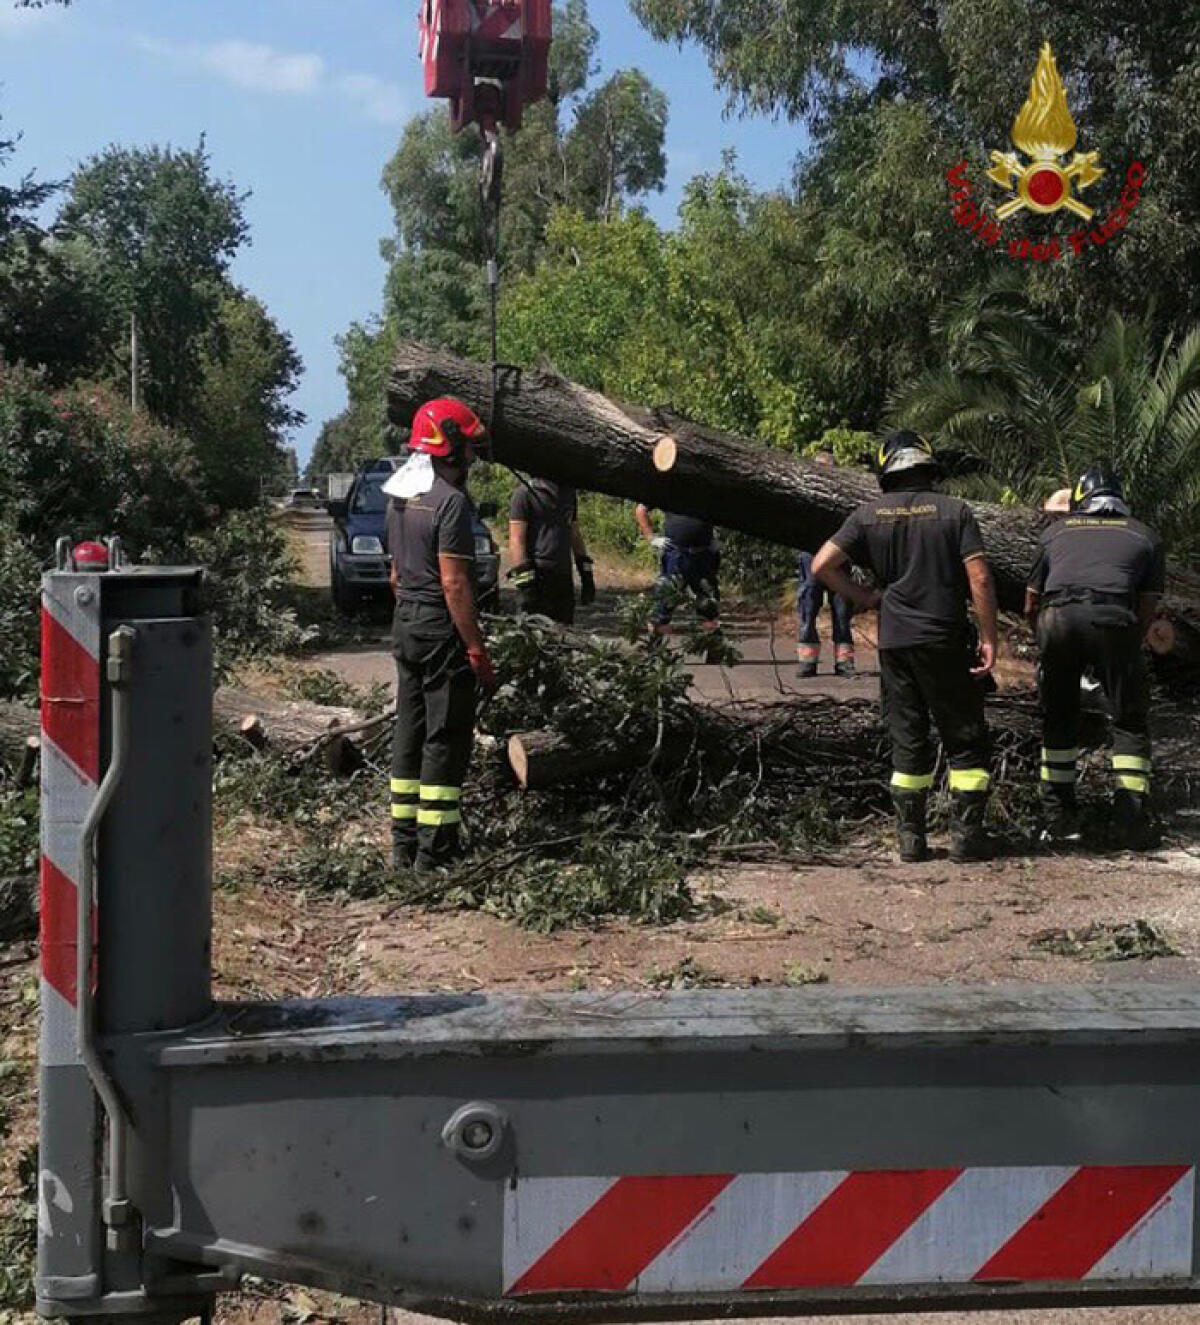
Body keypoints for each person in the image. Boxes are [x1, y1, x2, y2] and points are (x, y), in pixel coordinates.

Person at [812, 430, 998, 863]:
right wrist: (990, 637)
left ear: (886, 471)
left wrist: (865, 598)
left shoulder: (866, 516)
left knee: (907, 735)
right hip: (943, 637)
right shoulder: (955, 512)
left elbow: (822, 565)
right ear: (927, 466)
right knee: (964, 737)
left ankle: (911, 839)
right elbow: (982, 579)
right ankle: (967, 838)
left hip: (894, 642)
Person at [385, 397, 498, 874]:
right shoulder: (449, 504)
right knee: (444, 736)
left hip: (406, 621)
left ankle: (402, 847)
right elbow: (454, 583)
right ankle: (435, 854)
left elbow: (394, 574)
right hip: (438, 629)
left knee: (407, 731)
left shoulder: (398, 496)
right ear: (447, 445)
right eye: (468, 447)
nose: (471, 457)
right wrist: (474, 646)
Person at [1024, 463, 1164, 849]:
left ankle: (1057, 822)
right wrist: (1127, 644)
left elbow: (1031, 599)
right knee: (1129, 719)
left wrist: (1042, 638)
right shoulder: (1145, 536)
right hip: (1115, 618)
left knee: (1058, 719)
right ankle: (1130, 821)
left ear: (1081, 502)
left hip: (1058, 618)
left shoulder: (1055, 533)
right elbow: (1147, 606)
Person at [796, 454, 855, 677]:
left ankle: (844, 662)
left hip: (839, 559)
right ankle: (807, 661)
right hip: (810, 557)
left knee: (841, 612)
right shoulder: (802, 493)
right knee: (808, 608)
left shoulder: (843, 497)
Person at [507, 478, 595, 624]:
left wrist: (586, 574)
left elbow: (574, 533)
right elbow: (516, 539)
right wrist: (526, 586)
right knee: (535, 635)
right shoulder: (525, 493)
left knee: (563, 633)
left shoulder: (568, 493)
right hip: (538, 574)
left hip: (562, 574)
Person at [635, 505, 721, 634]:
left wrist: (718, 539)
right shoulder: (671, 491)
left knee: (708, 606)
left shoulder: (706, 493)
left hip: (703, 555)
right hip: (676, 554)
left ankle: (713, 650)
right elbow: (641, 509)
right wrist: (651, 537)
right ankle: (655, 649)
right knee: (664, 604)